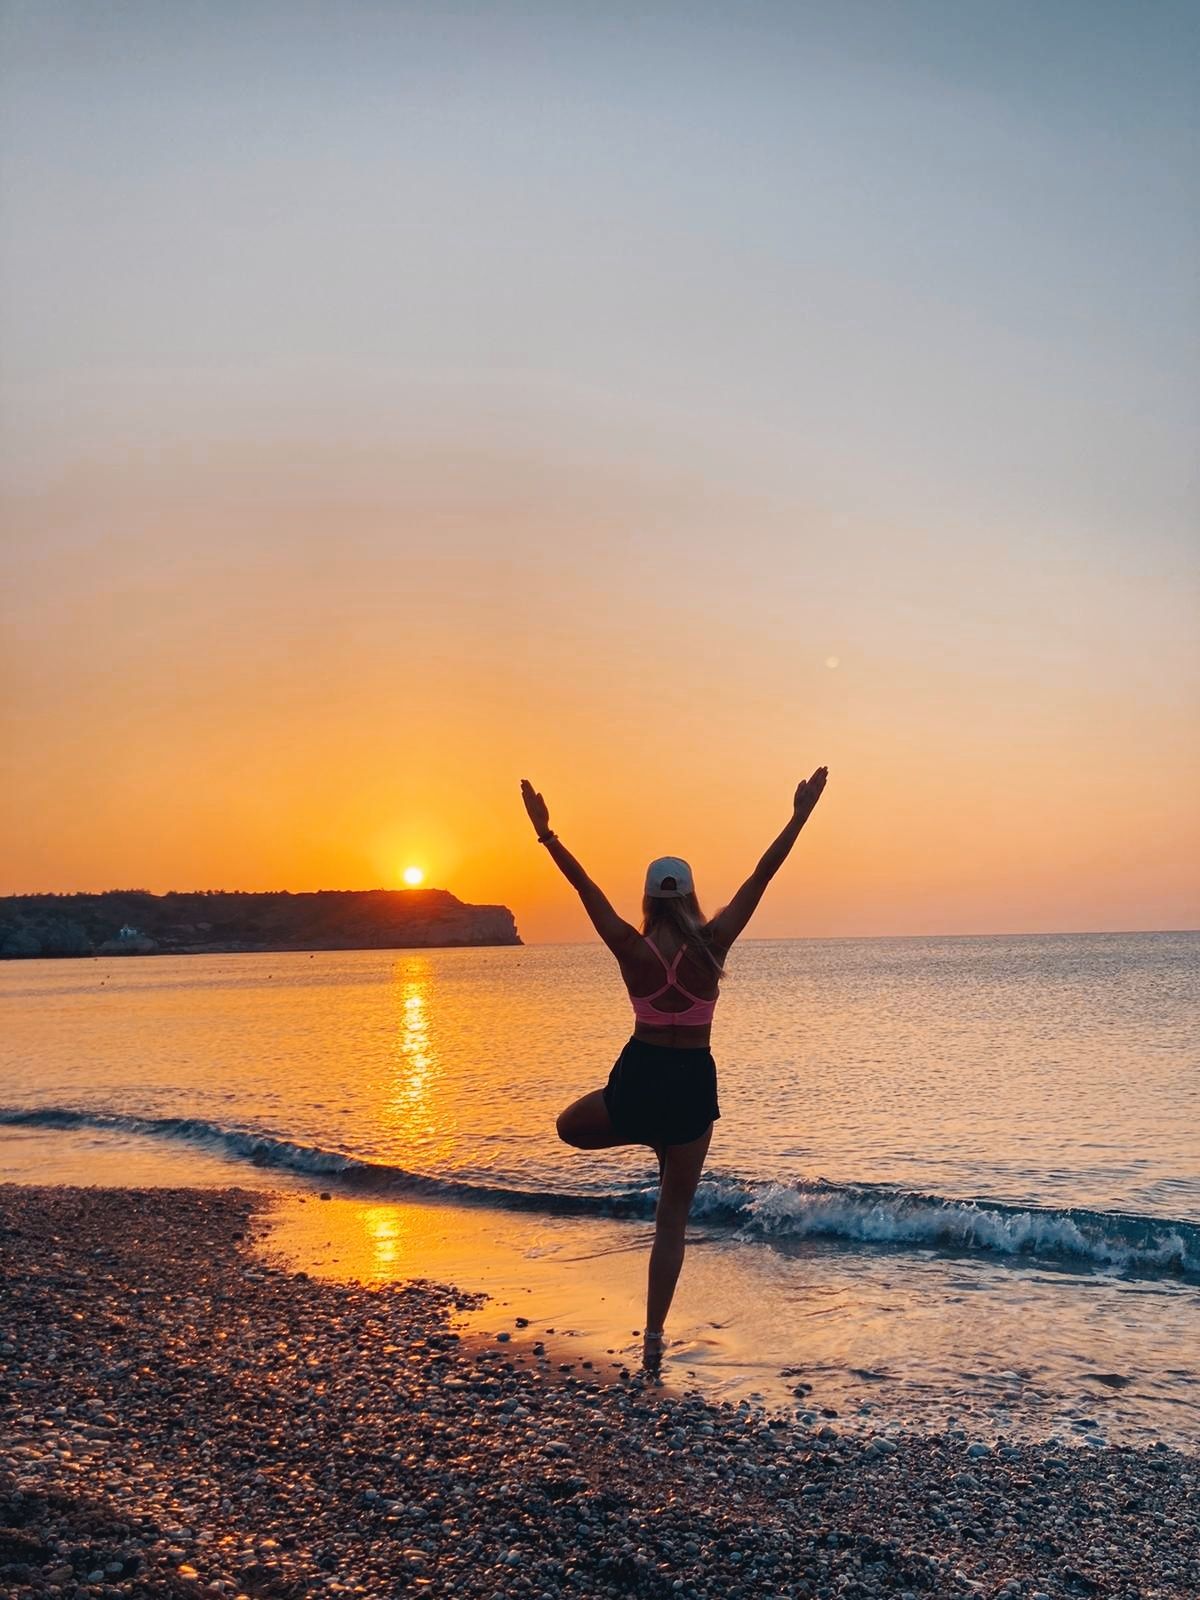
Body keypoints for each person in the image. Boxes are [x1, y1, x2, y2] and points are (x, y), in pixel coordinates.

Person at [520, 767, 829, 1366]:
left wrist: (547, 835)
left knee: (568, 1126)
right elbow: (760, 877)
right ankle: (654, 1341)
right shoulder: (715, 943)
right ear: (687, 896)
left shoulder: (630, 948)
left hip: (639, 1080)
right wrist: (798, 817)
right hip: (690, 1086)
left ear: (648, 898)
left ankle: (645, 1135)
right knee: (672, 1220)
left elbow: (586, 890)